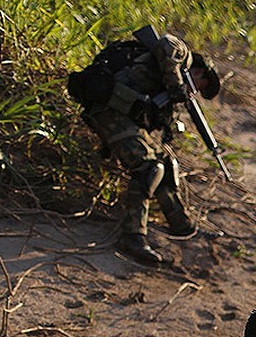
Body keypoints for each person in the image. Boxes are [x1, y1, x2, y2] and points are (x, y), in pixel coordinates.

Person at [69, 30, 221, 266]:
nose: (195, 92)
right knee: (148, 168)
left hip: (122, 114)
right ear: (201, 72)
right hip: (109, 110)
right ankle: (133, 236)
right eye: (200, 86)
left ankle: (182, 226)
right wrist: (175, 84)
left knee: (166, 163)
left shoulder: (165, 79)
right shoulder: (182, 55)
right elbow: (167, 43)